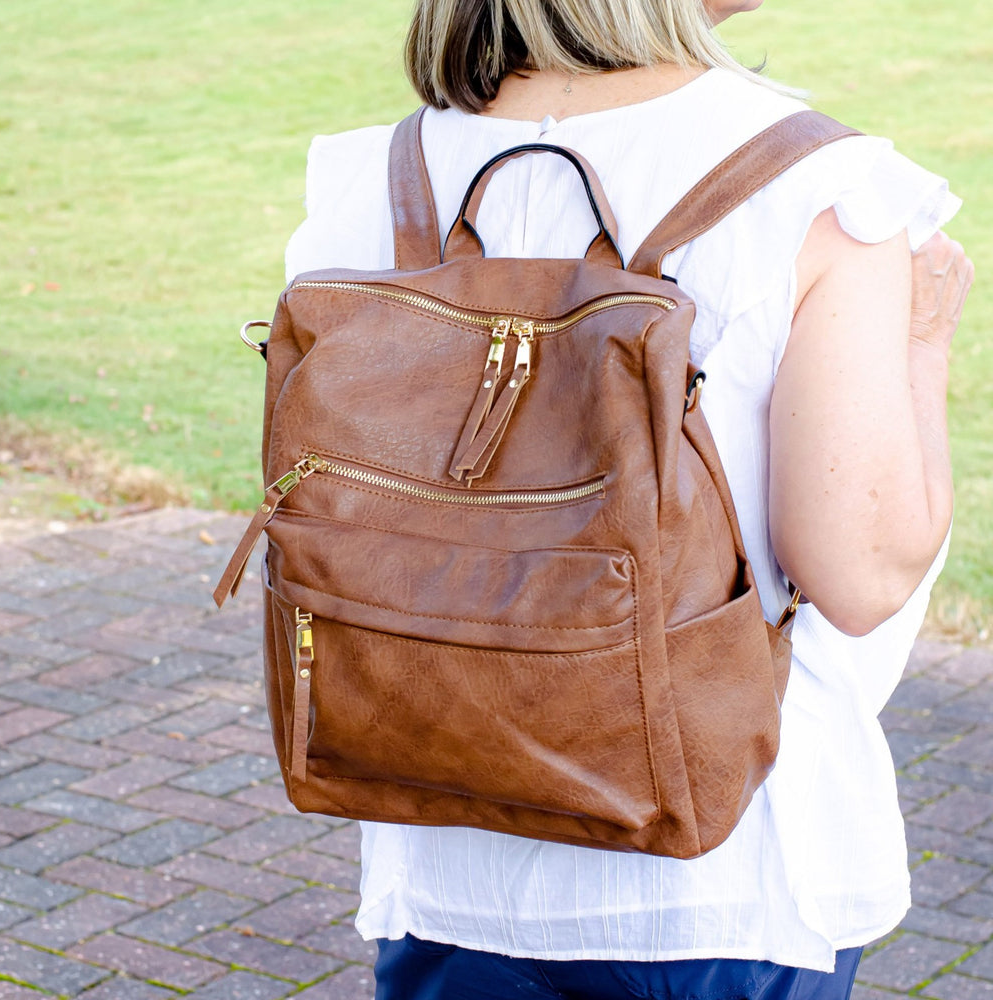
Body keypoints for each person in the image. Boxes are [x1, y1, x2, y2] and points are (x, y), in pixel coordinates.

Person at [284, 1, 974, 996]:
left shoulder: (371, 174)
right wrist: (921, 348)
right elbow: (861, 573)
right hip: (717, 882)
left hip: (439, 837)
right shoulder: (820, 187)